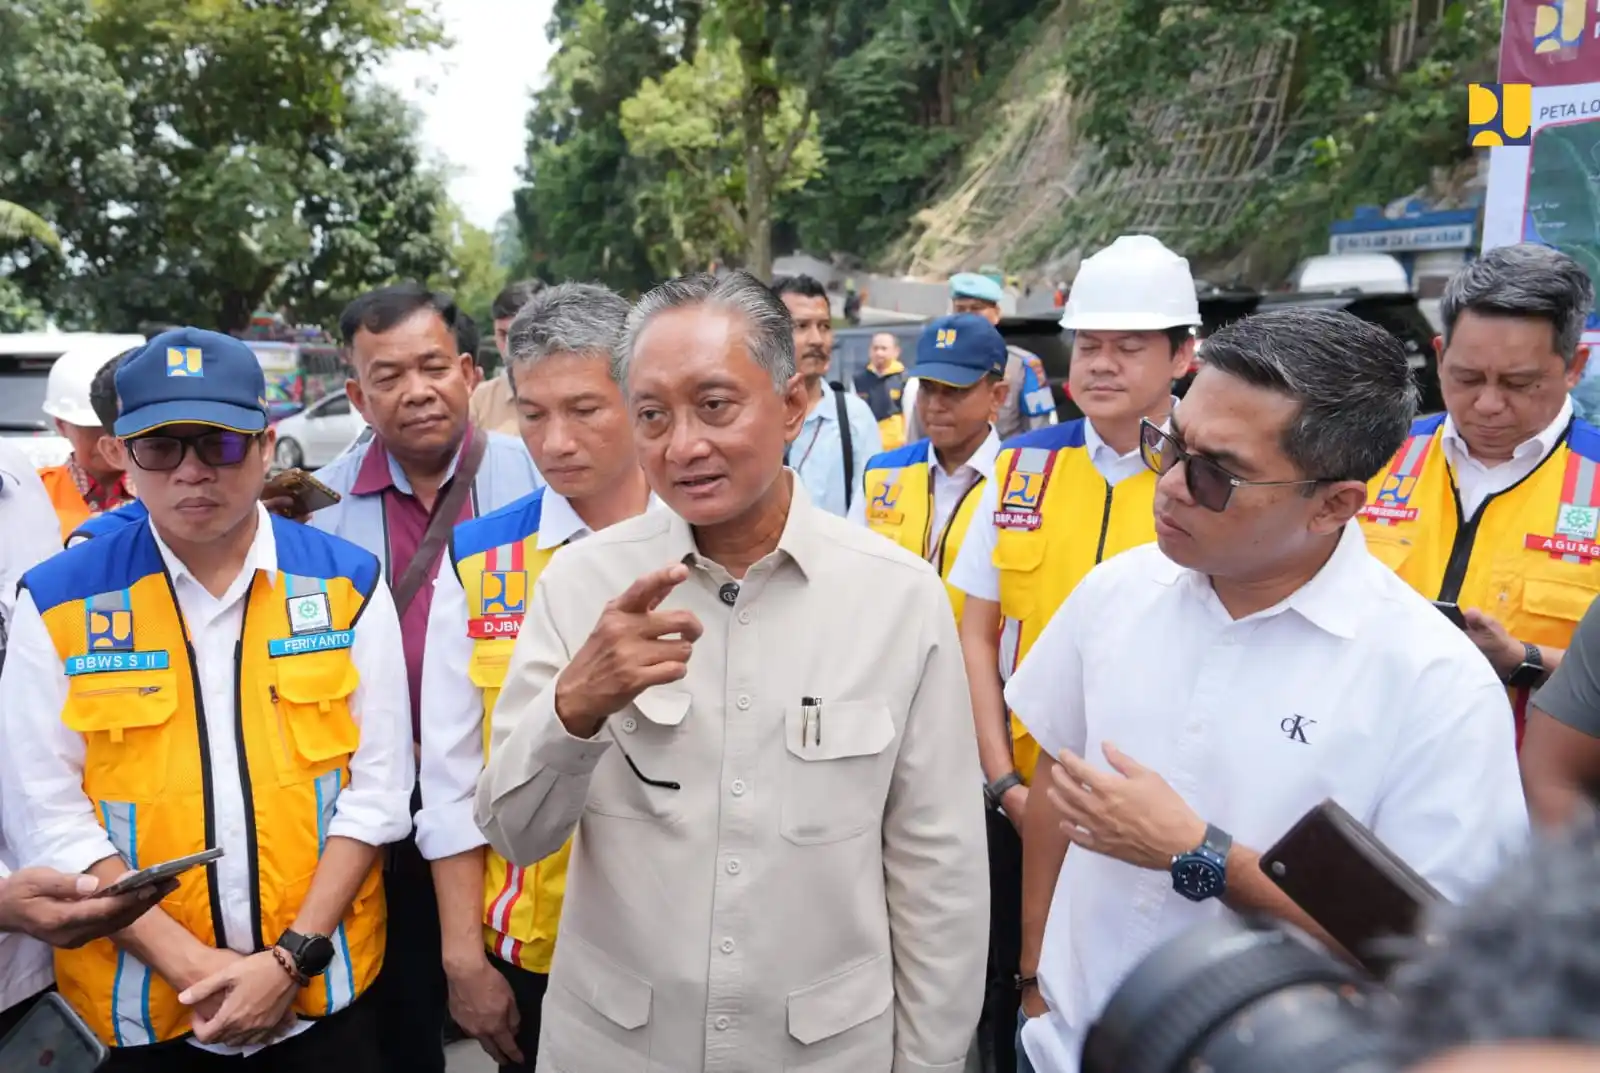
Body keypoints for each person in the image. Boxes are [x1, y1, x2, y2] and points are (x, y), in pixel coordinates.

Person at [475, 271, 988, 1071]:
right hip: (618, 1046)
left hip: (825, 1052)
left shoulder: (899, 598)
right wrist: (575, 705)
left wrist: (928, 1062)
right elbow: (514, 830)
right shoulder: (580, 585)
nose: (682, 445)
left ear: (789, 404)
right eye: (652, 414)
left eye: (715, 405)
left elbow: (940, 873)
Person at [1009, 308, 1528, 1073]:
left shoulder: (1429, 684)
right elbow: (1059, 776)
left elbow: (1438, 955)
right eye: (1171, 443)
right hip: (1061, 1047)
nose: (1173, 486)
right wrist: (1033, 981)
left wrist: (1200, 854)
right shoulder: (1116, 593)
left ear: (1334, 504)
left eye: (1216, 471)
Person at [0, 328, 414, 1070]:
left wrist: (289, 962)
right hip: (141, 1015)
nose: (192, 471)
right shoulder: (60, 601)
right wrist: (194, 970)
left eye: (218, 443)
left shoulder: (347, 584)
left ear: (266, 446)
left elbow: (379, 789)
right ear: (124, 459)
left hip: (323, 998)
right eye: (161, 446)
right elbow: (45, 812)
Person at [944, 233, 1199, 1072]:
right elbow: (976, 640)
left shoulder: (1209, 481)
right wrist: (1004, 783)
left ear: (1183, 354)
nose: (1101, 363)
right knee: (1005, 1000)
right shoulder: (1020, 470)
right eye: (1090, 343)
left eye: (1130, 347)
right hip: (1015, 800)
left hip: (1152, 813)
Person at [417, 283, 655, 1071]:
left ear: (639, 398)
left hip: (684, 942)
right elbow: (450, 774)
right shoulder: (479, 557)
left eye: (584, 408)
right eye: (532, 412)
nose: (555, 440)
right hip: (535, 950)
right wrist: (462, 956)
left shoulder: (703, 544)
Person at [310, 283, 541, 1073]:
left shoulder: (537, 482)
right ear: (356, 394)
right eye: (387, 375)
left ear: (470, 370)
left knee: (529, 1026)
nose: (416, 391)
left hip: (517, 820)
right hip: (379, 829)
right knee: (399, 1025)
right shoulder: (320, 510)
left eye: (433, 366)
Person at [1364, 245, 1598, 753]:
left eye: (1519, 383)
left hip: (1537, 803)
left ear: (1575, 365)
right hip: (1363, 780)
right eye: (1467, 378)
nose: (1488, 404)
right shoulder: (1370, 457)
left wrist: (1526, 662)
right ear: (1440, 353)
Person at [851, 314, 1005, 625]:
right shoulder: (882, 473)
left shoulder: (1019, 483)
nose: (935, 405)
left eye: (954, 390)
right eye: (927, 388)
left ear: (997, 396)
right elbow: (850, 577)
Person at [770, 274, 882, 516]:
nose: (817, 340)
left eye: (825, 327)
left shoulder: (854, 419)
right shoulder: (747, 416)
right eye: (801, 326)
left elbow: (870, 516)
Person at [38, 344, 136, 540]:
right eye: (95, 426)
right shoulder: (33, 494)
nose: (109, 438)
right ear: (61, 426)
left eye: (117, 424)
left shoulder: (163, 489)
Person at [469, 281, 547, 436]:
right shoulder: (481, 399)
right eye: (502, 334)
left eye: (520, 335)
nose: (510, 348)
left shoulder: (577, 394)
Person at [853, 332, 909, 451]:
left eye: (884, 349)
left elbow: (911, 416)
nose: (879, 353)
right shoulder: (858, 380)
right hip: (867, 448)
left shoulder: (906, 379)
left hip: (897, 449)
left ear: (896, 352)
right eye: (875, 348)